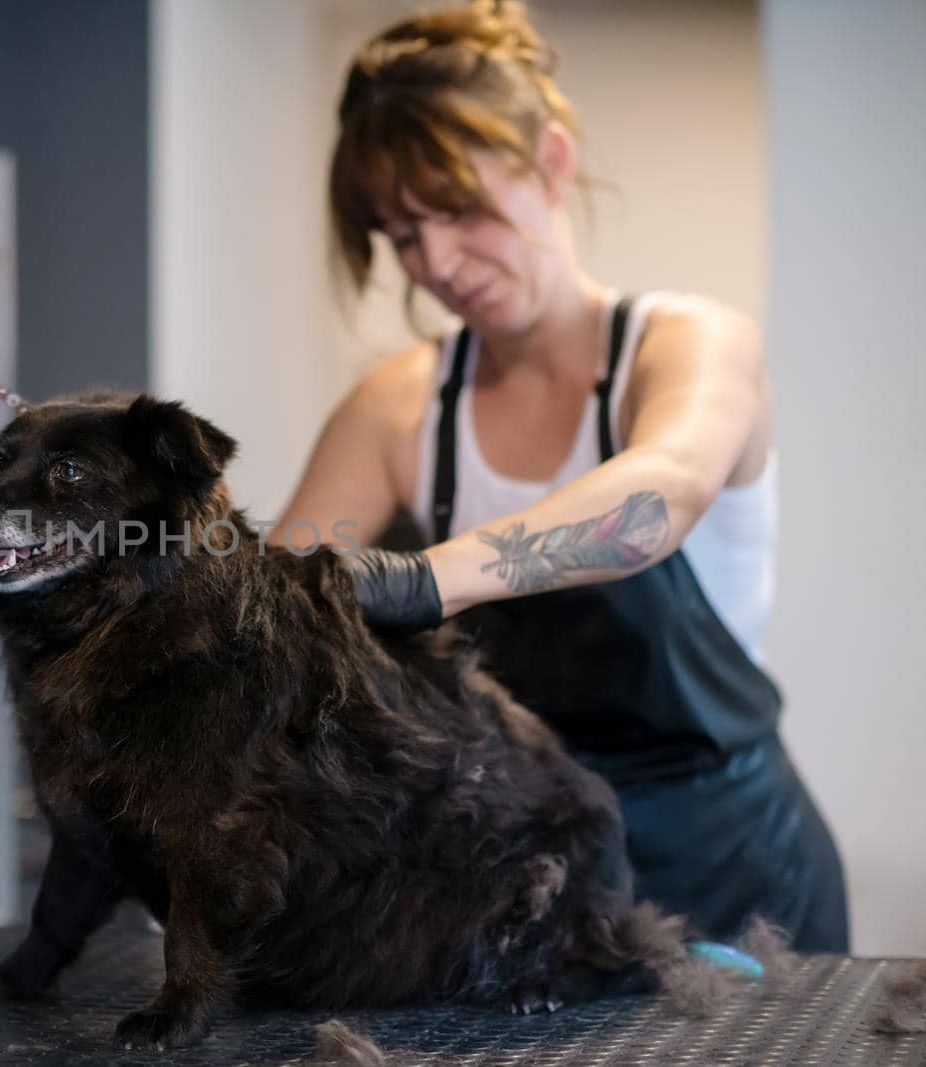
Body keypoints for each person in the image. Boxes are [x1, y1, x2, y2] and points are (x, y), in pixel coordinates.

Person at [270, 0, 849, 951]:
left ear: (552, 161)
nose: (438, 264)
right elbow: (270, 608)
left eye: (457, 210)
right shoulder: (400, 407)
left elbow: (660, 490)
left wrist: (420, 580)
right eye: (402, 235)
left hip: (737, 869)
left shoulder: (688, 344)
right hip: (535, 874)